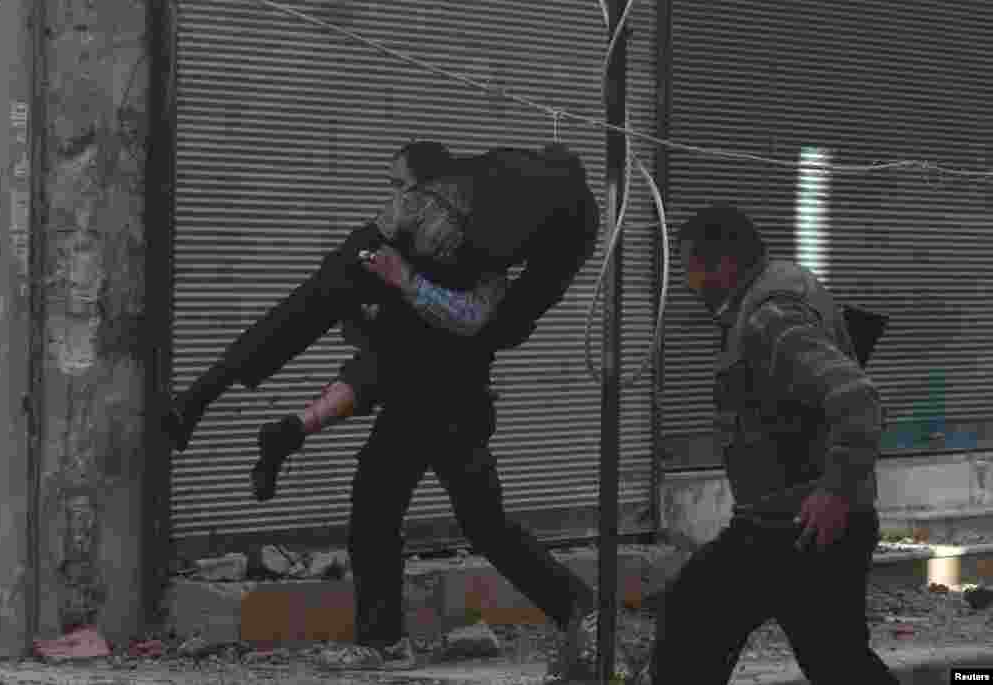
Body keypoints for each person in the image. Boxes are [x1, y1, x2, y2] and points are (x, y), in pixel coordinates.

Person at [163, 140, 625, 677]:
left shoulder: (477, 251)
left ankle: (564, 612)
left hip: (449, 399)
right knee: (444, 516)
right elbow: (367, 346)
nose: (396, 200)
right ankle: (571, 608)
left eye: (400, 186)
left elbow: (478, 321)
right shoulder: (427, 242)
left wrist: (399, 284)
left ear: (433, 190)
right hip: (425, 396)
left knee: (417, 513)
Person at [634, 205, 897, 684]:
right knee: (834, 659)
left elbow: (855, 396)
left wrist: (836, 491)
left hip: (796, 527)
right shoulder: (777, 291)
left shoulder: (768, 317)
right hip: (787, 524)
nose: (689, 282)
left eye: (692, 266)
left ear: (724, 264)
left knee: (694, 621)